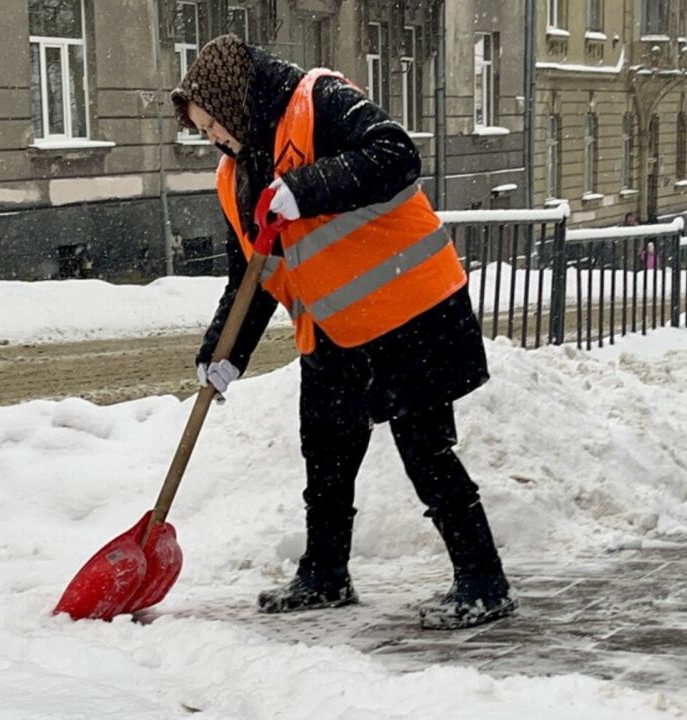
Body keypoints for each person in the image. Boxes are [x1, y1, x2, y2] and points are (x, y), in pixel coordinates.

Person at [170, 35, 516, 630]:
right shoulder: (237, 175)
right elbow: (251, 278)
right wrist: (222, 354)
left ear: (234, 105)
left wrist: (305, 189)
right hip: (333, 327)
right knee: (324, 454)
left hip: (413, 314)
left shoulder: (320, 101)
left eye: (212, 127)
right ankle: (324, 576)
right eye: (204, 133)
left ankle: (483, 581)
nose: (213, 142)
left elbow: (396, 155)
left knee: (425, 451)